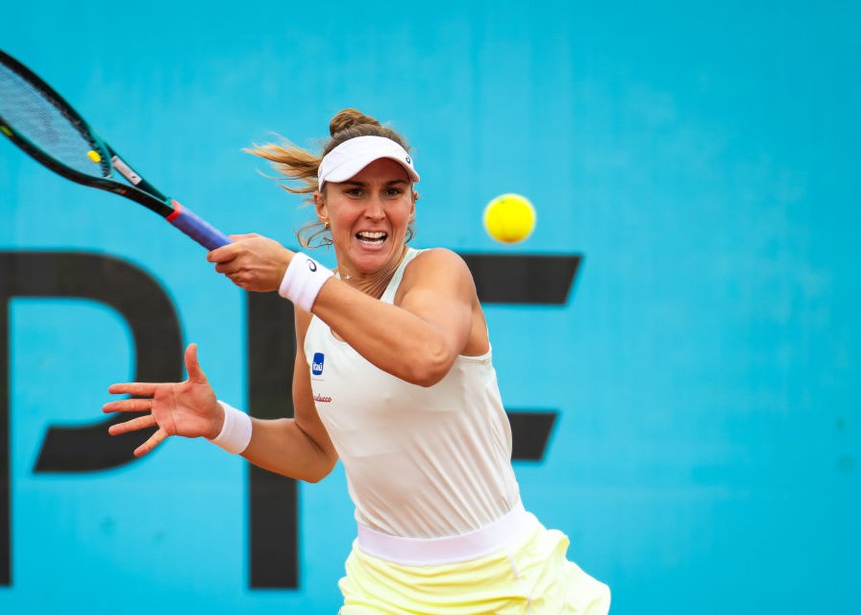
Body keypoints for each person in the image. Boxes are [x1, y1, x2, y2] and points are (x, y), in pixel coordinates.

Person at [103, 108, 611, 614]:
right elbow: (313, 451)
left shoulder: (437, 271)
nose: (375, 210)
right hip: (382, 589)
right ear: (322, 206)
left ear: (412, 205)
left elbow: (426, 356)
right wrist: (220, 423)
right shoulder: (313, 308)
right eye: (355, 192)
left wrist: (297, 275)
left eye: (392, 191)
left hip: (506, 584)